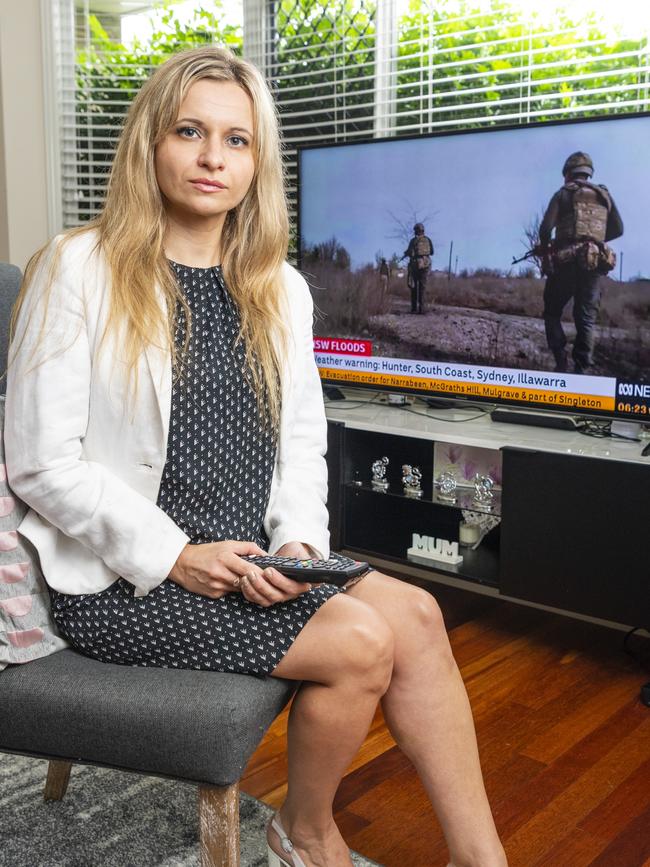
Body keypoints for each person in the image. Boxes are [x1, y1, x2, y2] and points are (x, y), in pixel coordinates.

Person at [5, 46, 507, 867]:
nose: (213, 157)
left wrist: (301, 544)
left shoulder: (280, 285)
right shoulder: (77, 267)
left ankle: (483, 859)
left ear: (257, 161)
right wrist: (177, 556)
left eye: (237, 141)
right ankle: (304, 831)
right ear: (150, 144)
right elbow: (39, 461)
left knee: (416, 614)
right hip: (127, 577)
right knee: (359, 644)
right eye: (190, 132)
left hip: (258, 555)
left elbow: (302, 443)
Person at [539, 151, 623, 374]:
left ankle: (561, 361)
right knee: (586, 318)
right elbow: (618, 229)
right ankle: (581, 369)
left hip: (566, 262)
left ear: (568, 173)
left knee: (552, 312)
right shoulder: (604, 196)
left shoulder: (564, 194)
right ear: (589, 173)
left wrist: (548, 252)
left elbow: (545, 229)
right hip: (593, 262)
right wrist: (594, 241)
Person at [403, 222, 434, 314]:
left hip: (415, 265)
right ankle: (422, 309)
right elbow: (432, 252)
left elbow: (409, 252)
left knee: (414, 287)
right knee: (422, 288)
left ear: (416, 231)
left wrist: (406, 254)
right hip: (426, 265)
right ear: (423, 231)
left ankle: (414, 308)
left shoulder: (413, 240)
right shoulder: (428, 240)